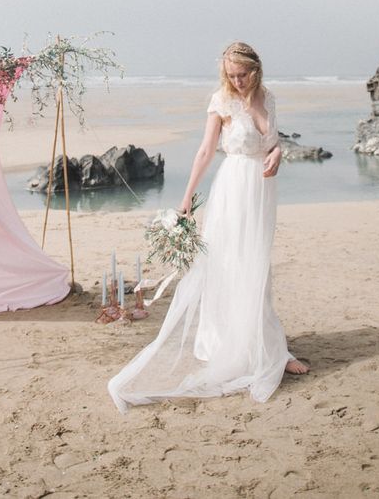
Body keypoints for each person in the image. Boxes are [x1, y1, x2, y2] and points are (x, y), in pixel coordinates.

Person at [108, 42, 308, 413]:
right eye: (232, 76)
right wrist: (186, 198)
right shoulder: (221, 101)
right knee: (231, 266)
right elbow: (204, 151)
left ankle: (269, 348)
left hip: (262, 191)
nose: (238, 81)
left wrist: (277, 152)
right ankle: (228, 344)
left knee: (257, 268)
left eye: (243, 75)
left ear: (256, 70)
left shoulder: (268, 97)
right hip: (233, 188)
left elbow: (273, 141)